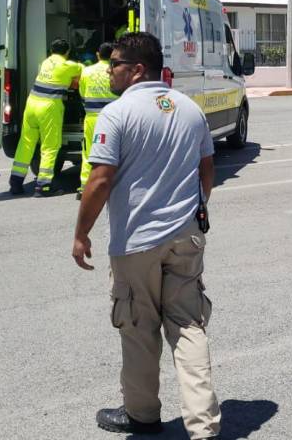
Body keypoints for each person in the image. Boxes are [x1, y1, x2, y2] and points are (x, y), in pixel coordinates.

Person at [72, 32, 221, 440]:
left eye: (115, 63)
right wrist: (196, 206)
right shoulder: (190, 109)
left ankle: (141, 415)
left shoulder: (117, 113)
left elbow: (100, 180)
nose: (109, 70)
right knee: (188, 325)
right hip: (186, 236)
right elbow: (207, 168)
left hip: (137, 242)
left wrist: (81, 233)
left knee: (138, 328)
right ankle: (203, 426)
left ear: (137, 69)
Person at [9, 38, 84, 196]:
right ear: (67, 52)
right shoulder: (70, 66)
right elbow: (85, 72)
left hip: (32, 104)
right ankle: (43, 186)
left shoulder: (45, 63)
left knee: (26, 143)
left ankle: (15, 182)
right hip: (49, 107)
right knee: (49, 146)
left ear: (51, 51)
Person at [78, 42, 116, 198]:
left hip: (92, 117)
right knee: (114, 152)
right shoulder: (115, 71)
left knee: (89, 153)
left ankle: (84, 187)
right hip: (113, 118)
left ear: (97, 55)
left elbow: (82, 93)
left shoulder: (86, 71)